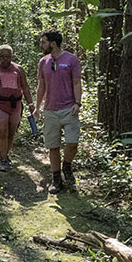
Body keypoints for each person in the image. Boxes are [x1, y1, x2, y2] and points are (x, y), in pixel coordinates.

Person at [32, 29, 83, 194]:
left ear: (53, 43)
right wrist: (37, 107)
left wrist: (77, 103)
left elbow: (76, 82)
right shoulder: (43, 62)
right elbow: (41, 86)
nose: (41, 45)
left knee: (72, 143)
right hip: (50, 111)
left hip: (69, 109)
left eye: (43, 42)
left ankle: (67, 165)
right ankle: (56, 179)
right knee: (53, 146)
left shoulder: (71, 60)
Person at [0, 44, 34, 172]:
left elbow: (25, 87)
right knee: (2, 132)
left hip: (15, 106)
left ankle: (5, 154)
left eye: (7, 57)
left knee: (11, 133)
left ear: (11, 57)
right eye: (2, 57)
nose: (5, 60)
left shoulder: (19, 69)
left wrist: (31, 105)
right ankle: (3, 159)